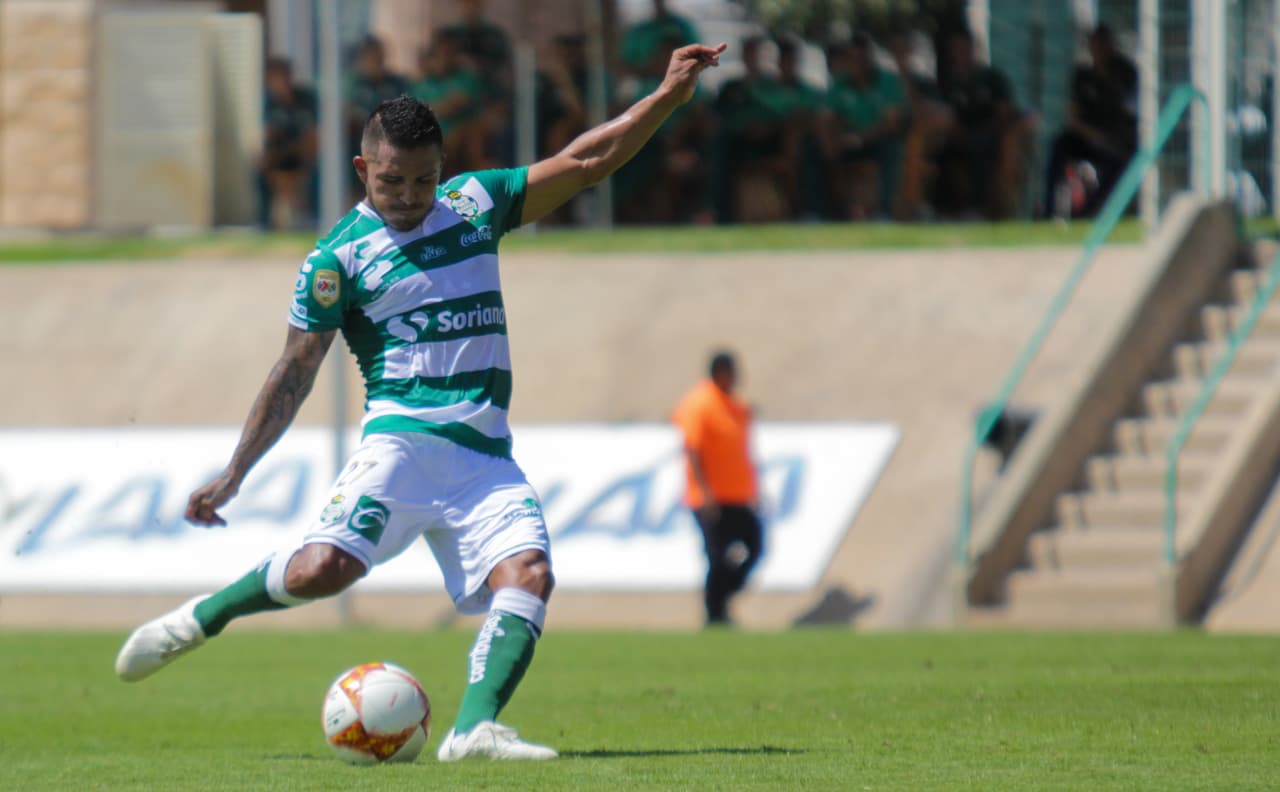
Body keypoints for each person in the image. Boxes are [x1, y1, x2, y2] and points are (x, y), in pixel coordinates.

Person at [114, 41, 729, 761]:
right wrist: (235, 473)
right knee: (321, 572)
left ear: (444, 170)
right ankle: (200, 619)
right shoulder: (336, 259)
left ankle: (472, 730)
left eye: (422, 181)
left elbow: (586, 161)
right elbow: (294, 370)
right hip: (401, 444)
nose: (408, 197)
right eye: (392, 181)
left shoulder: (473, 206)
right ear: (362, 170)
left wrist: (665, 98)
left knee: (529, 574)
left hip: (484, 457)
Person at [671, 351, 763, 627]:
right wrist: (705, 490)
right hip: (709, 498)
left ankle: (720, 599)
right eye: (733, 371)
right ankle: (715, 612)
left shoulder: (735, 406)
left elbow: (742, 451)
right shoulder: (700, 403)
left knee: (755, 546)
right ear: (721, 372)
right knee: (716, 555)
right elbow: (693, 449)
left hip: (738, 496)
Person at [934, 27, 1036, 219]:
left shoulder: (992, 78)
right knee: (940, 153)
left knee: (983, 147)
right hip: (957, 136)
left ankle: (984, 208)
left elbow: (1004, 113)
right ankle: (941, 210)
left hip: (991, 135)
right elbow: (944, 115)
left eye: (965, 48)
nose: (961, 54)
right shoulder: (949, 84)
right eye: (956, 49)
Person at [1042, 24, 1138, 219]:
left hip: (1115, 138)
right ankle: (1049, 210)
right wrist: (1092, 135)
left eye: (1102, 44)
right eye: (1094, 44)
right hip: (1087, 136)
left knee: (1117, 163)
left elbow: (1131, 113)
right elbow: (1073, 116)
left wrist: (1111, 137)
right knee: (1059, 146)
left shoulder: (1125, 74)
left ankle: (1090, 210)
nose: (1098, 49)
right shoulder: (1082, 76)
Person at [821, 34, 908, 220]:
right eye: (851, 58)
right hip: (848, 141)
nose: (856, 64)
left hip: (877, 140)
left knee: (891, 148)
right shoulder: (839, 83)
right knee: (813, 148)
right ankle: (819, 213)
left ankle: (885, 213)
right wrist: (832, 140)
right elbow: (828, 117)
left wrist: (861, 138)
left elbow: (890, 124)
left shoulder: (888, 81)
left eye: (861, 58)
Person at [259, 57, 318, 230]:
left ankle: (313, 217)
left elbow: (313, 137)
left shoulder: (306, 99)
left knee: (318, 171)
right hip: (281, 157)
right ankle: (264, 222)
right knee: (260, 169)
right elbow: (269, 138)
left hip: (304, 155)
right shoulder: (269, 103)